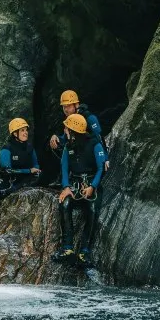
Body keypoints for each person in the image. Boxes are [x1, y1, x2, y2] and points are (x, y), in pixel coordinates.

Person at [51, 113, 107, 267]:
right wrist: (66, 187)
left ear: (74, 132)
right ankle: (67, 248)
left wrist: (92, 187)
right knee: (65, 204)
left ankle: (84, 252)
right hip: (75, 183)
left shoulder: (95, 144)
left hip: (91, 182)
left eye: (67, 129)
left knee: (92, 209)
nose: (65, 131)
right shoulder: (68, 147)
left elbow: (101, 167)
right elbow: (64, 168)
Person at [48, 89, 109, 171]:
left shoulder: (89, 118)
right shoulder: (70, 119)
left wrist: (105, 159)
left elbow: (100, 138)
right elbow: (66, 138)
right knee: (57, 145)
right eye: (64, 106)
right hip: (79, 153)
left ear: (76, 105)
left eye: (68, 106)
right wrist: (56, 138)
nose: (66, 110)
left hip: (90, 153)